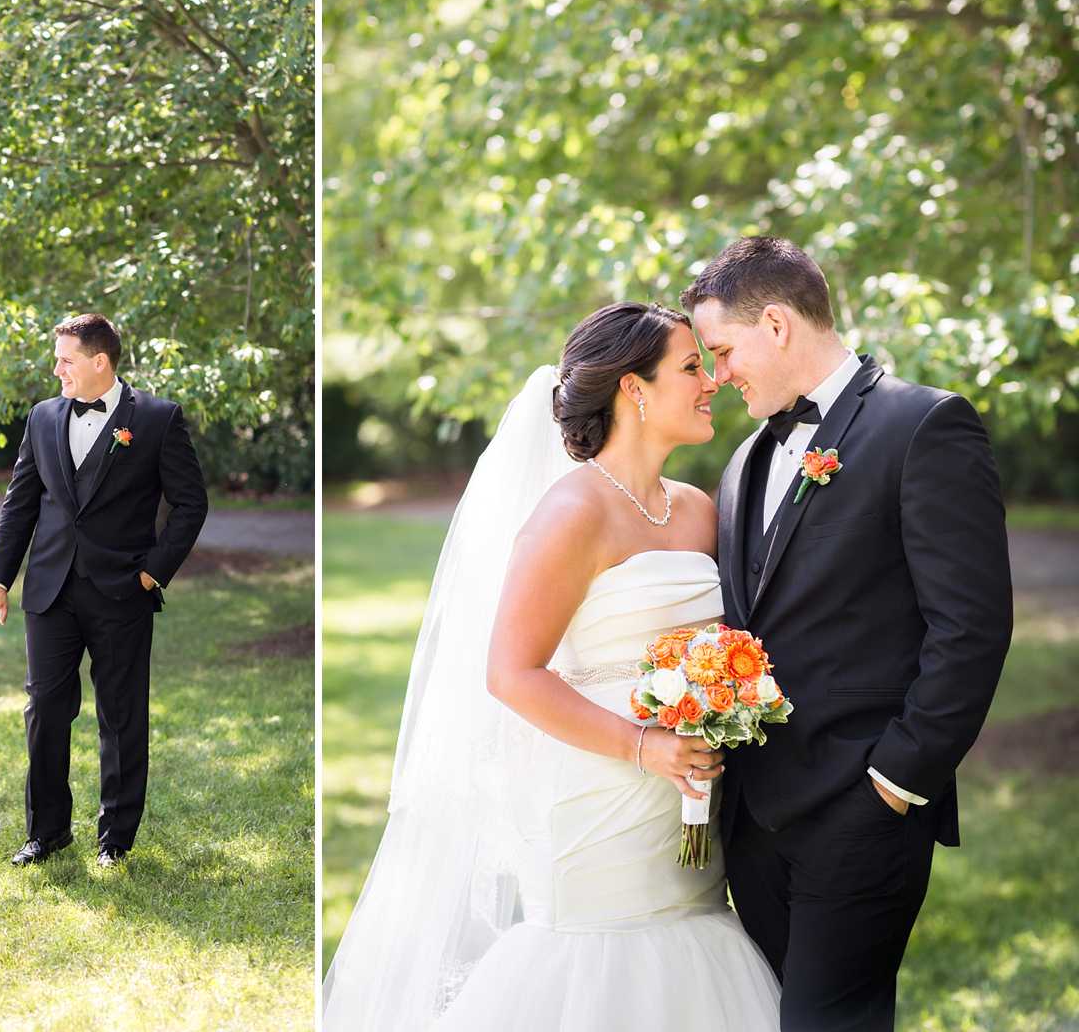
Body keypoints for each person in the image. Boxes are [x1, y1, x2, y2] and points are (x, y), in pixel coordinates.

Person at [323, 302, 781, 1029]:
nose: (710, 382)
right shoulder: (571, 512)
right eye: (692, 366)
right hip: (600, 801)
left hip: (691, 800)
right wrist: (644, 744)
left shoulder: (700, 510)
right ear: (634, 388)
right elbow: (511, 672)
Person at [683, 236, 1012, 1031]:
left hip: (863, 812)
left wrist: (894, 784)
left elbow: (970, 628)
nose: (719, 374)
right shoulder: (742, 461)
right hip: (753, 824)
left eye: (722, 350)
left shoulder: (924, 424)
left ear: (777, 324)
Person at [0, 313, 208, 869]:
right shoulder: (43, 417)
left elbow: (191, 504)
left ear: (100, 361)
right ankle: (46, 833)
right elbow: (20, 505)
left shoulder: (156, 418)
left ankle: (115, 839)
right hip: (49, 591)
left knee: (121, 716)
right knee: (45, 710)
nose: (57, 369)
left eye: (66, 359)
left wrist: (152, 571)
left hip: (123, 590)